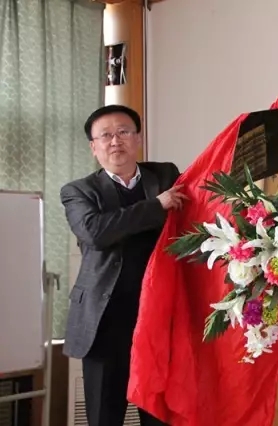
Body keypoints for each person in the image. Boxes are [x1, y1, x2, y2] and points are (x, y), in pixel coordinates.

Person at [61, 104, 186, 426]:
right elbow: (96, 233)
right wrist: (156, 206)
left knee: (159, 416)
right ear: (94, 147)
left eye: (123, 132)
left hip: (158, 318)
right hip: (104, 322)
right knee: (105, 415)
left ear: (138, 139)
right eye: (105, 136)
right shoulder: (78, 191)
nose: (115, 141)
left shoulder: (166, 175)